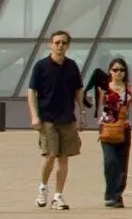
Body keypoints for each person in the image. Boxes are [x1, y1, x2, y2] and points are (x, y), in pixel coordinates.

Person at [23, 29, 88, 209]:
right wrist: (34, 115)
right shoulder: (41, 66)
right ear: (51, 44)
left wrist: (82, 113)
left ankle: (58, 196)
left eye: (64, 43)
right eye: (57, 42)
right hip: (47, 118)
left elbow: (78, 90)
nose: (60, 46)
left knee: (64, 158)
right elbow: (31, 92)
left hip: (67, 118)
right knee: (50, 155)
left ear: (68, 46)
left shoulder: (72, 66)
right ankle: (43, 188)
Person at [90, 56, 132, 208]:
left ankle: (117, 195)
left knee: (122, 163)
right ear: (110, 71)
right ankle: (110, 193)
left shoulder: (129, 88)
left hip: (124, 128)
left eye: (122, 70)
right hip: (107, 128)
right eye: (115, 70)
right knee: (110, 161)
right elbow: (97, 105)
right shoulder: (104, 87)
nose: (118, 73)